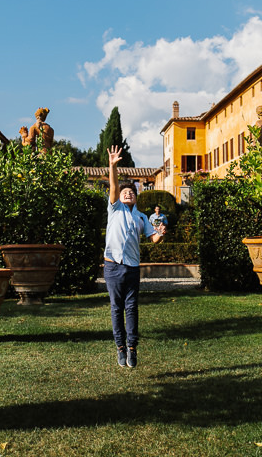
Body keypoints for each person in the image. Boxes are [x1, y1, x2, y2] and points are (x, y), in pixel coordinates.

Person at [104, 145, 165, 368]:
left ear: (136, 198)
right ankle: (120, 347)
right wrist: (113, 166)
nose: (128, 193)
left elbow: (153, 239)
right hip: (112, 266)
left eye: (131, 192)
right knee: (116, 308)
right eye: (124, 192)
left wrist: (160, 233)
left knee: (131, 308)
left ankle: (132, 348)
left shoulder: (141, 218)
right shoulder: (115, 208)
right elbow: (113, 186)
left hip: (132, 267)